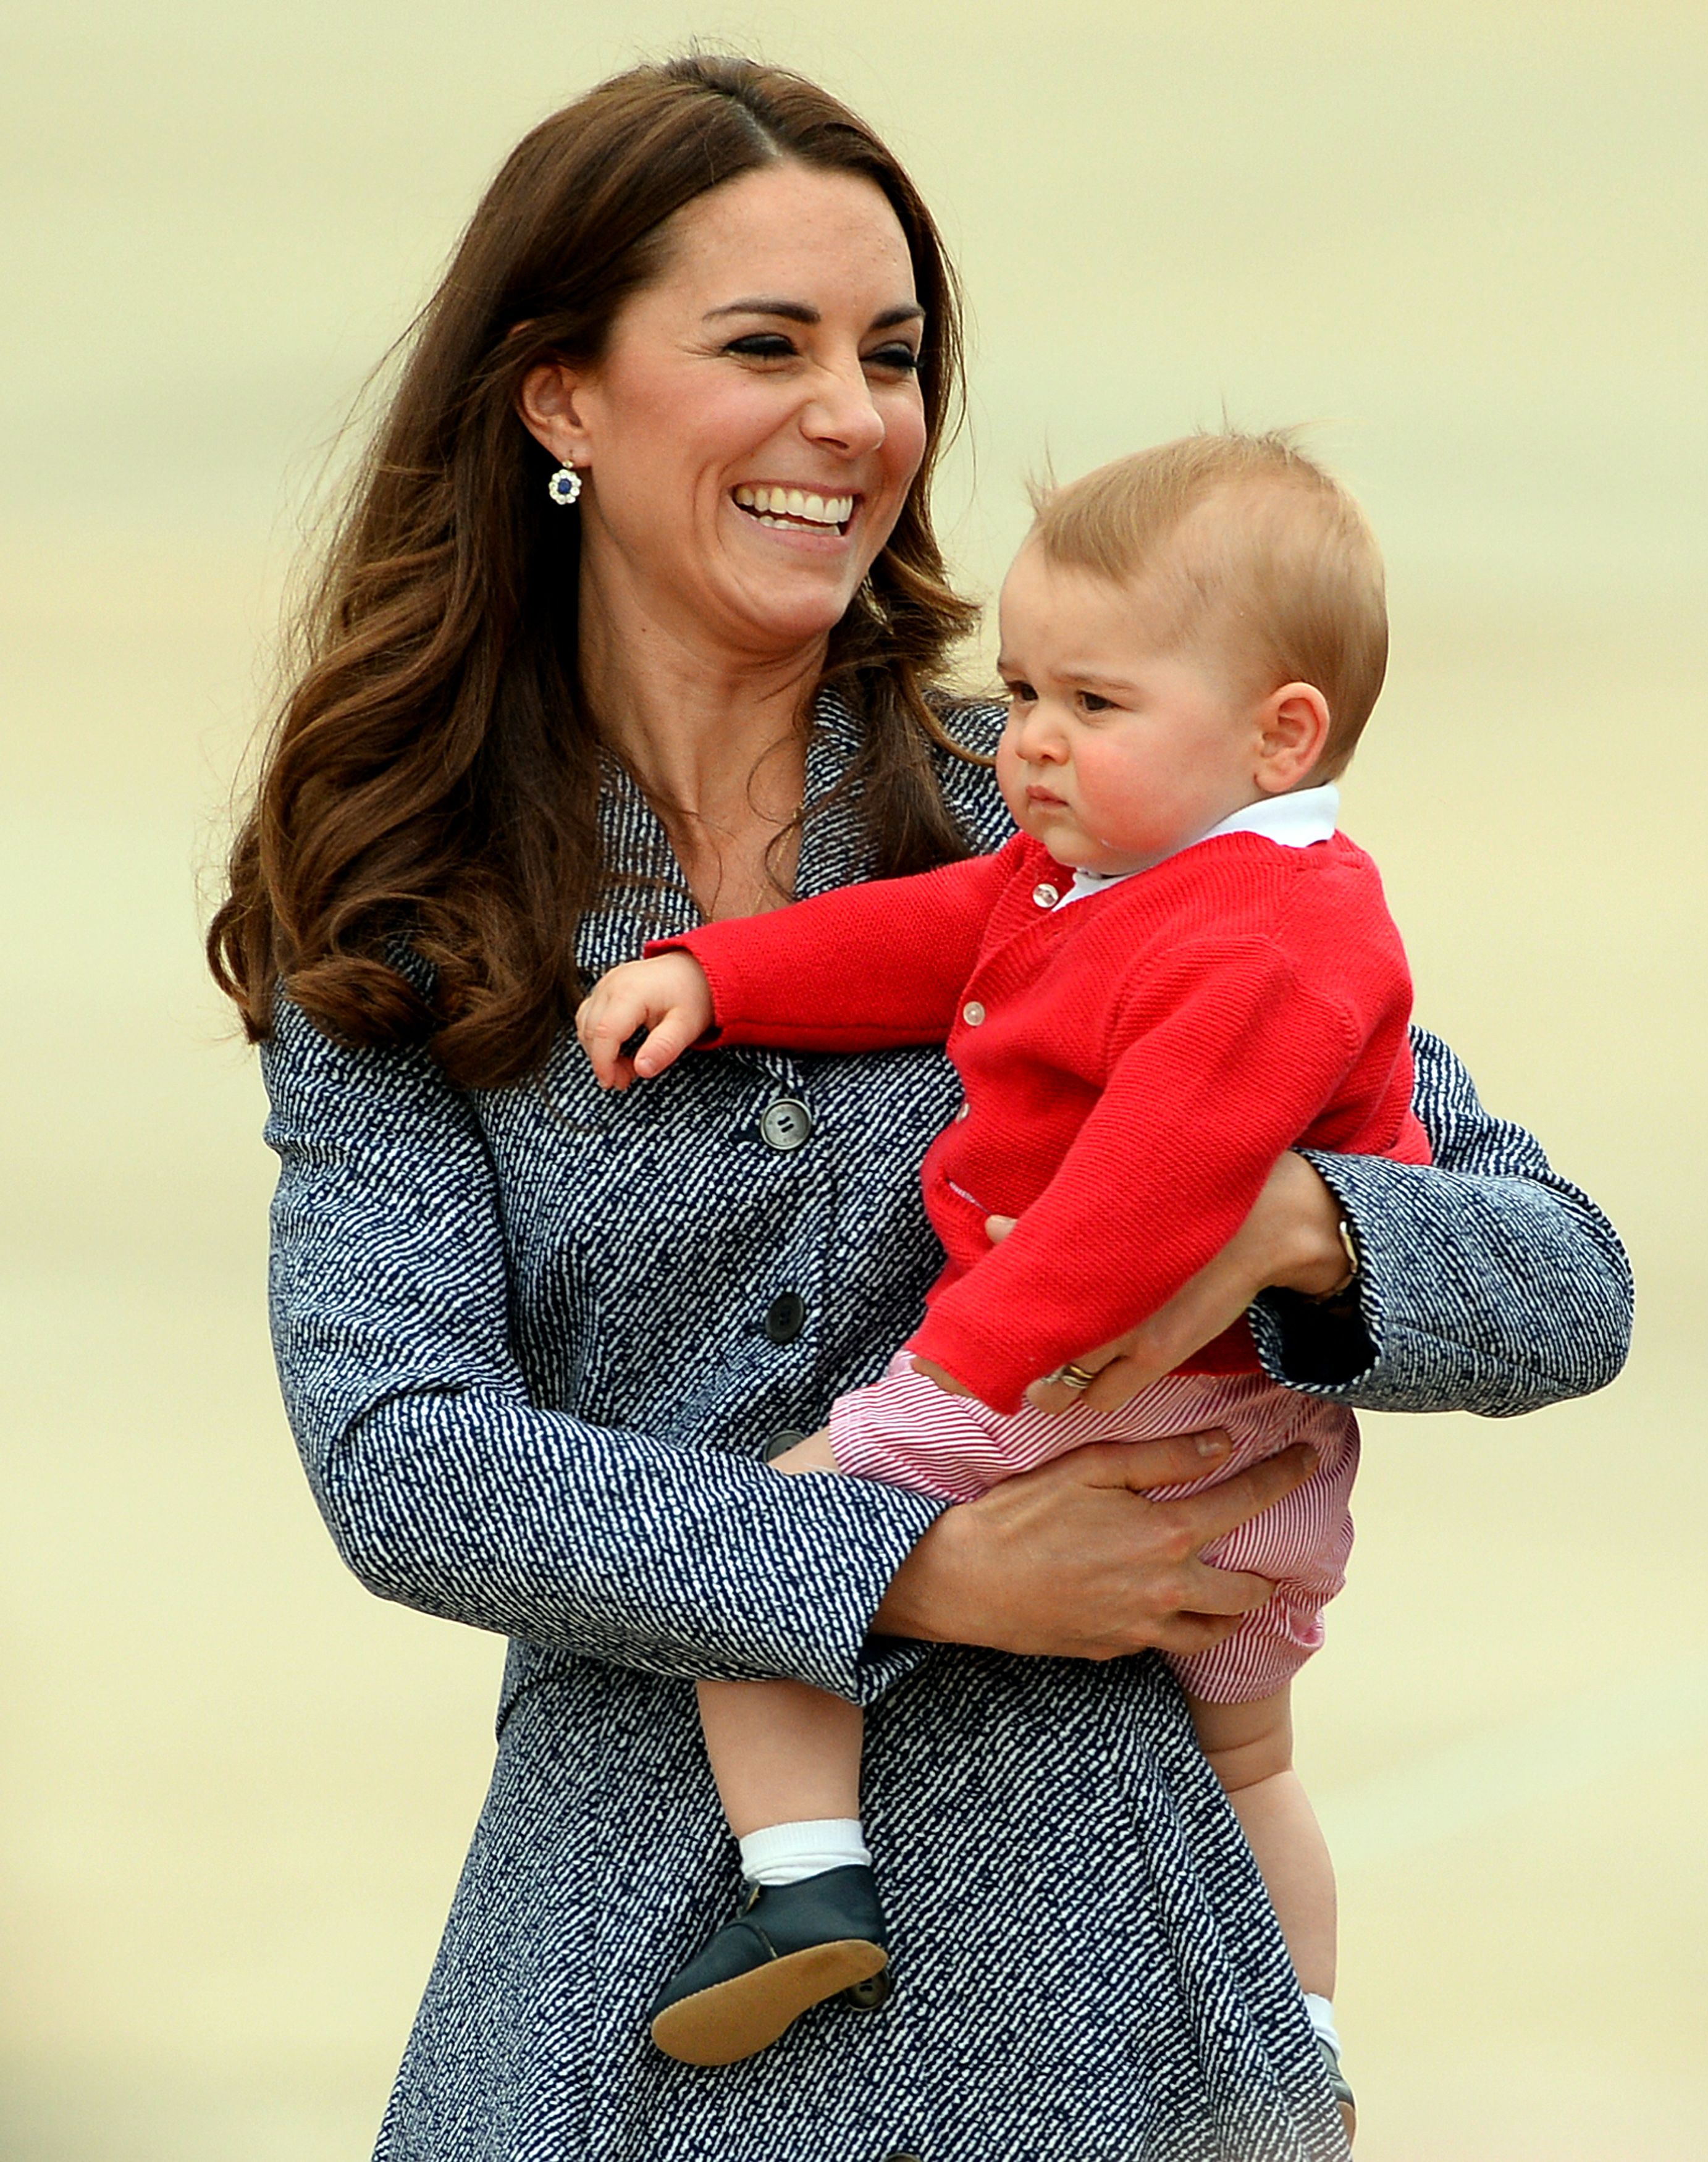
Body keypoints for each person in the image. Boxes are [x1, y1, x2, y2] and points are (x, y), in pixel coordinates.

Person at [207, 53, 1633, 2162]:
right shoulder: (412, 908)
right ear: (560, 401)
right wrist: (916, 1563)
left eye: (889, 355)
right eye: (764, 347)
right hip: (618, 1997)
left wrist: (1298, 1231)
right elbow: (405, 1459)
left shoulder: (1081, 803)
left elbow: (1566, 1281)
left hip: (1107, 1991)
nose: (852, 419)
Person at [578, 432, 1418, 2117]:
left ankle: (805, 1881)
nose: (1026, 740)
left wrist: (971, 1359)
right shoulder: (1123, 871)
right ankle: (1302, 2045)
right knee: (1249, 1760)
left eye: (1090, 706)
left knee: (765, 1553)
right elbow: (931, 932)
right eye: (1020, 687)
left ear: (1281, 731)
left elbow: (1147, 1192)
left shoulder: (1260, 935)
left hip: (1088, 1398)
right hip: (1249, 1463)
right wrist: (718, 973)